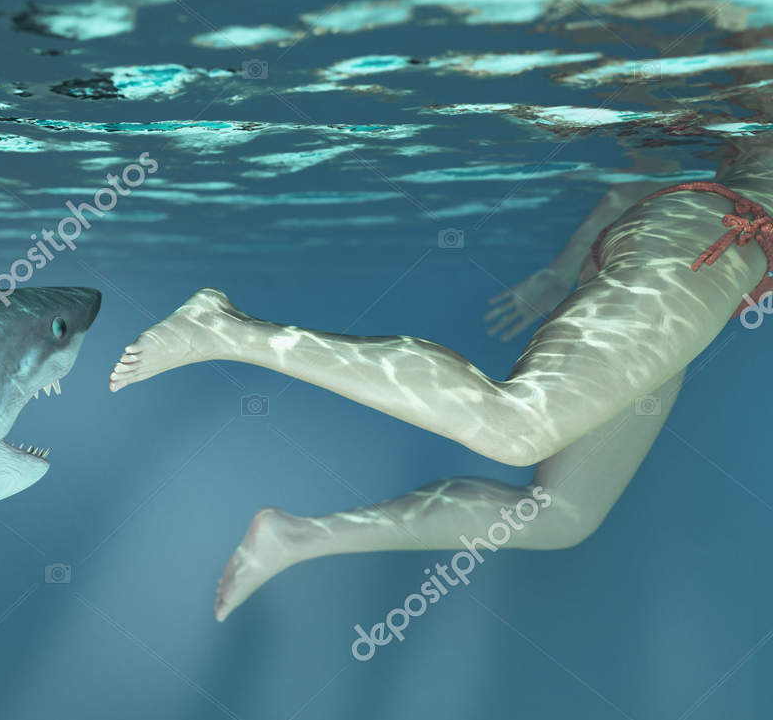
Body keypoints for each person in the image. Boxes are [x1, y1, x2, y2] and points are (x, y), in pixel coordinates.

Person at [108, 146, 773, 621]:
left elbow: (627, 194)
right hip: (710, 247)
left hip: (702, 261)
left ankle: (298, 537)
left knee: (562, 519)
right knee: (520, 427)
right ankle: (225, 330)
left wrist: (560, 271)